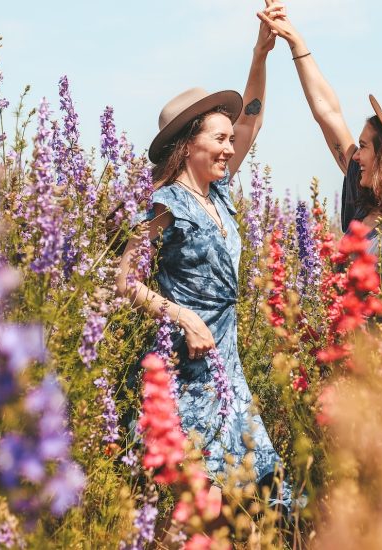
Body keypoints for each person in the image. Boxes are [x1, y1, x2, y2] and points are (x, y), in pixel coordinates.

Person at [116, 1, 293, 532]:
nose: (229, 146)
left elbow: (252, 118)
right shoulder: (166, 203)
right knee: (201, 511)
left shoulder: (223, 195)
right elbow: (125, 280)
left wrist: (261, 53)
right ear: (188, 143)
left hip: (227, 370)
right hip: (185, 374)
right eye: (218, 138)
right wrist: (182, 316)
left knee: (269, 493)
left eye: (227, 140)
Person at [258, 4, 382, 283]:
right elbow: (328, 115)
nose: (355, 156)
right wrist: (296, 42)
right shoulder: (363, 202)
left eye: (364, 146)